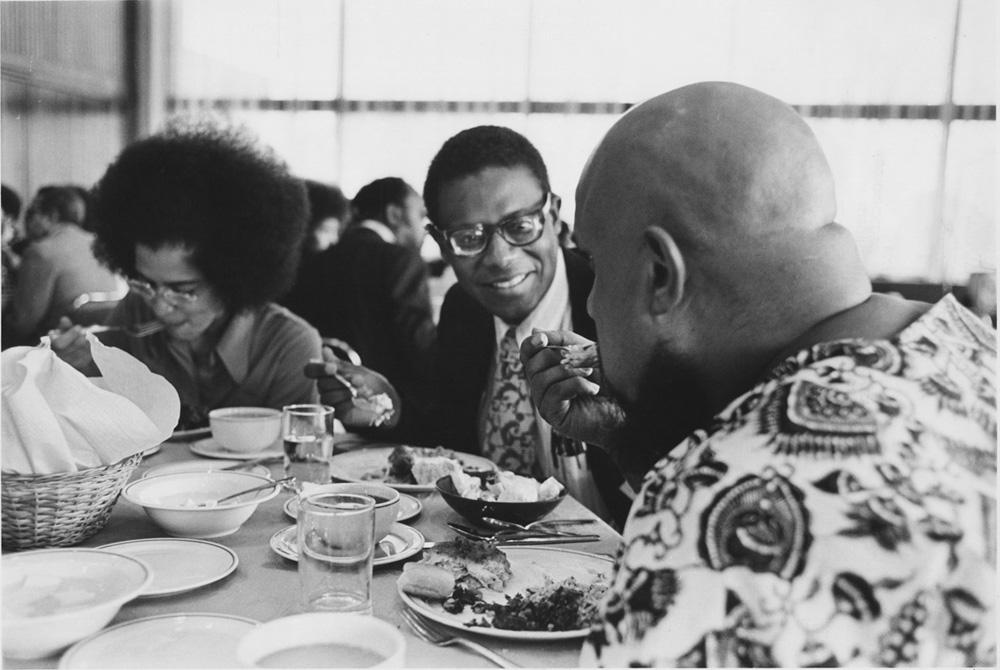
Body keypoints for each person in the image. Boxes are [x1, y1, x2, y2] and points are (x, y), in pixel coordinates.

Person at [520, 82, 996, 667]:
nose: (590, 307)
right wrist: (628, 436)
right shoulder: (968, 344)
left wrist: (684, 485)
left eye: (593, 266)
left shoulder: (722, 512)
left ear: (661, 275)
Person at [309, 127, 631, 526]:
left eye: (520, 226)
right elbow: (452, 431)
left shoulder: (616, 303)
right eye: (469, 237)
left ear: (552, 213)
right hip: (486, 549)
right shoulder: (465, 309)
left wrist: (618, 434)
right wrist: (389, 408)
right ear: (441, 244)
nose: (499, 257)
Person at [50, 124, 321, 430]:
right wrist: (78, 370)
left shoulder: (288, 345)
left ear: (232, 278)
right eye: (148, 283)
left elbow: (296, 458)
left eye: (183, 289)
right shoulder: (135, 311)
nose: (161, 306)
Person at [284, 177, 436, 415]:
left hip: (318, 403)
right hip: (386, 412)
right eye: (420, 215)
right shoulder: (402, 261)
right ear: (394, 214)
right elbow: (421, 350)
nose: (424, 227)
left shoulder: (314, 259)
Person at [7, 185, 124, 344]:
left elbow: (22, 322)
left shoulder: (41, 251)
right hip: (102, 342)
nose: (26, 223)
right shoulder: (100, 244)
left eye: (33, 213)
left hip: (59, 347)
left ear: (51, 216)